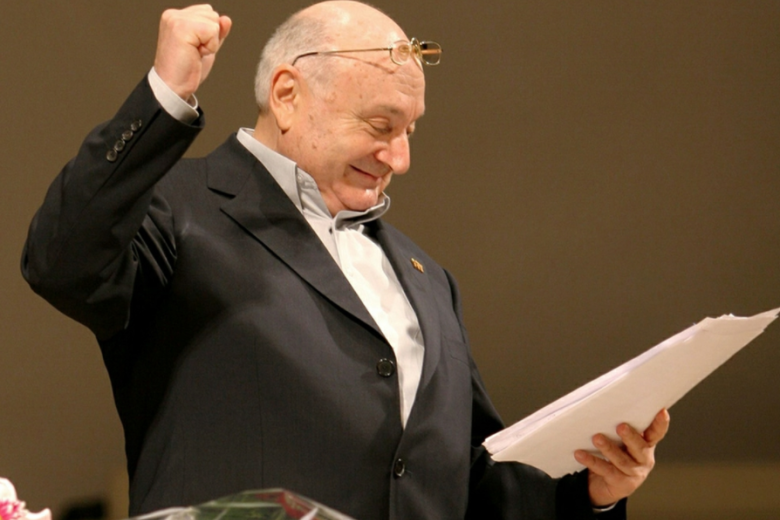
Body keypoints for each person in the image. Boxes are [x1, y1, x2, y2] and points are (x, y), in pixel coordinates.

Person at [22, 3, 669, 519]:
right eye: (382, 125)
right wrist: (166, 94)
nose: (400, 158)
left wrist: (593, 493)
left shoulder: (428, 279)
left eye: (410, 129)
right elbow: (60, 261)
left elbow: (462, 485)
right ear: (287, 95)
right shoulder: (176, 208)